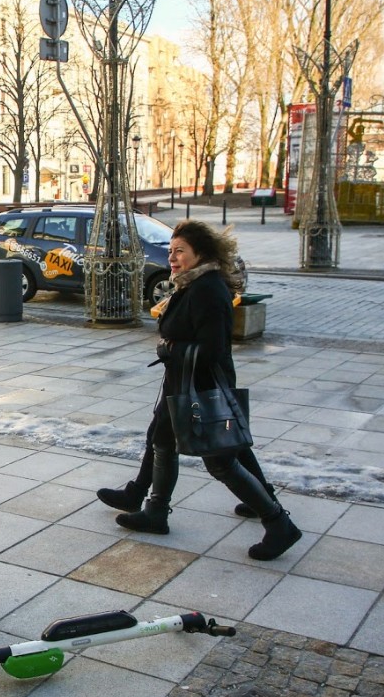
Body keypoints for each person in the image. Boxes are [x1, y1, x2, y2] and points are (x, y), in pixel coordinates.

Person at [104, 220, 301, 561]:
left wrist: (171, 350)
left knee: (222, 461)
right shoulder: (189, 284)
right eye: (170, 252)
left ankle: (278, 523)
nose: (173, 258)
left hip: (202, 387)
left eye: (180, 251)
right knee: (162, 442)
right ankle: (154, 511)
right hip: (181, 381)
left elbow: (213, 348)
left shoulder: (208, 288)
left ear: (201, 254)